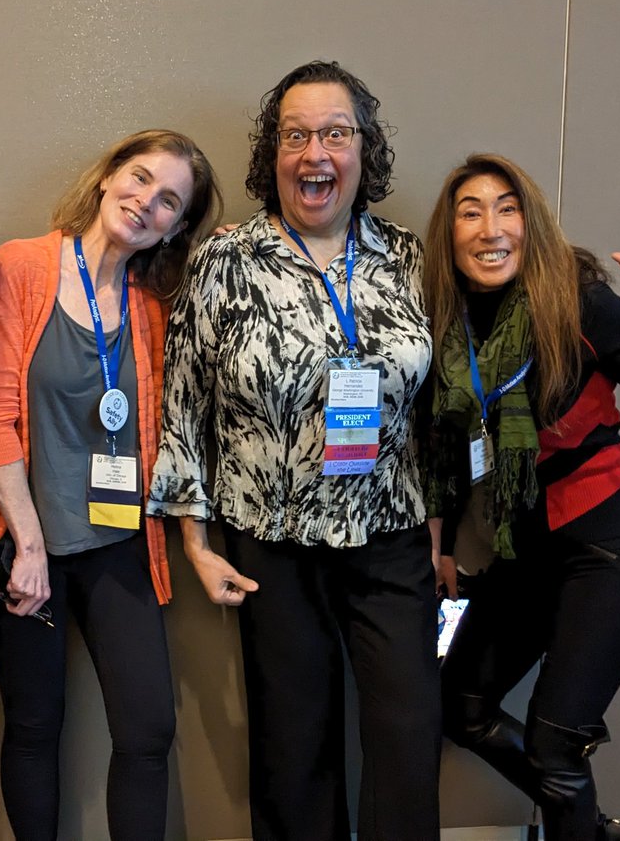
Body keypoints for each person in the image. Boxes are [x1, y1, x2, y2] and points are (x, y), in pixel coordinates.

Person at [148, 61, 440, 840]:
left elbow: (437, 407)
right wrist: (195, 544)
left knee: (409, 734)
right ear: (272, 153)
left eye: (335, 134)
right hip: (270, 540)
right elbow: (184, 408)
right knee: (292, 747)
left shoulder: (407, 256)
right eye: (295, 135)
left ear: (364, 149)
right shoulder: (225, 260)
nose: (315, 153)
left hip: (391, 533)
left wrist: (444, 528)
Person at [423, 153, 620, 841]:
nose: (491, 228)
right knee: (461, 706)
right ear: (451, 234)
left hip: (607, 546)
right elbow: (444, 445)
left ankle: (580, 826)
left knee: (555, 747)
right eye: (471, 212)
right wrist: (440, 545)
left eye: (507, 209)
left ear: (530, 223)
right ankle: (595, 830)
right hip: (523, 551)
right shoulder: (447, 323)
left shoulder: (577, 301)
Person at [0, 129, 221, 841]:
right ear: (107, 177)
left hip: (119, 541)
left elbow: (180, 423)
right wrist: (28, 546)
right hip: (27, 542)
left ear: (177, 226)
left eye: (170, 201)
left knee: (148, 729)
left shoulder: (154, 303)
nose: (146, 202)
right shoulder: (19, 269)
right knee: (34, 725)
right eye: (139, 178)